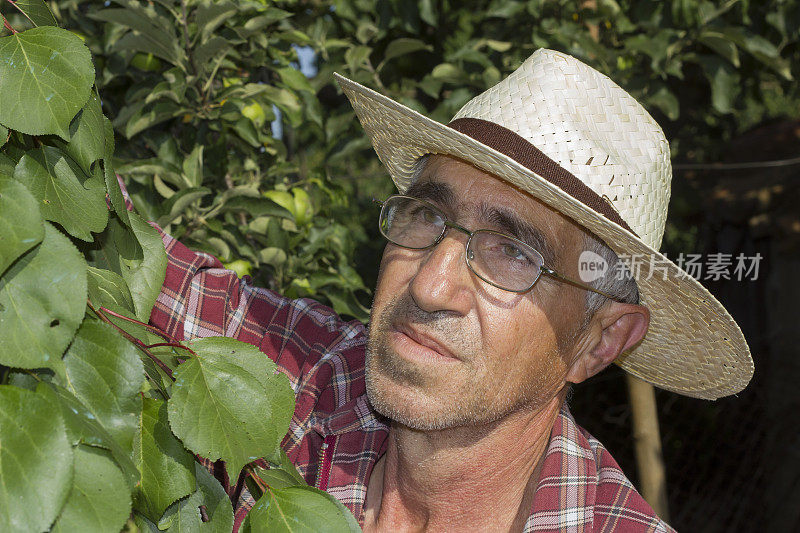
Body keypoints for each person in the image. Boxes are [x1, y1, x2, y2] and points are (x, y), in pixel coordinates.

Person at [149, 49, 753, 531]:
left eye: (514, 254)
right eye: (425, 217)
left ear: (599, 341)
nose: (432, 285)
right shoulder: (302, 382)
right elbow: (120, 248)